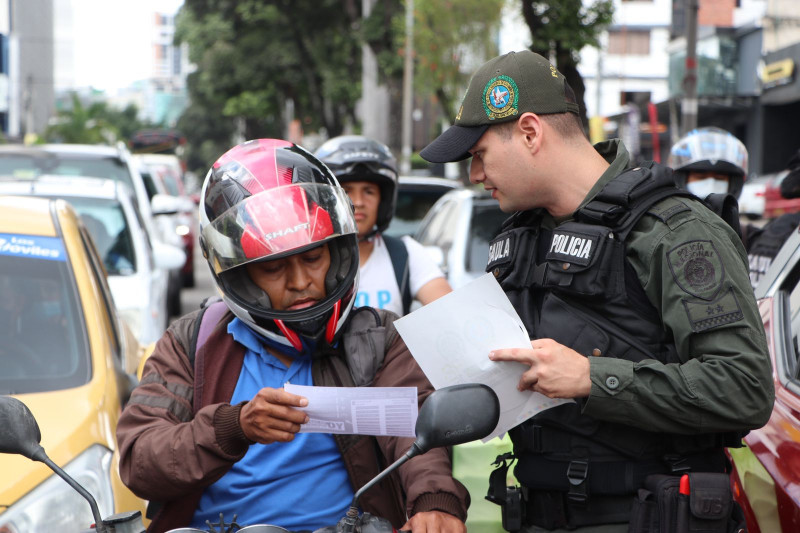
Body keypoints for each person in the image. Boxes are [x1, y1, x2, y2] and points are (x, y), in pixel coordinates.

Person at [419, 50, 774, 532]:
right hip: (537, 514)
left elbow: (745, 388)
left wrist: (593, 377)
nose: (474, 176)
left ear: (530, 132)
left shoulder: (676, 232)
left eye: (478, 155)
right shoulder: (520, 238)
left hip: (647, 514)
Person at [116, 139, 469, 533]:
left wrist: (434, 501)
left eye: (313, 258)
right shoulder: (190, 344)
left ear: (337, 254)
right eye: (274, 268)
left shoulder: (378, 338)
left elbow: (415, 430)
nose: (302, 282)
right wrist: (235, 427)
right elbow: (139, 459)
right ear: (238, 273)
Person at [315, 135, 452, 315]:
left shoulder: (405, 254)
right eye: (346, 191)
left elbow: (453, 313)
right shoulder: (306, 259)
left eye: (369, 191)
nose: (358, 201)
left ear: (383, 200)